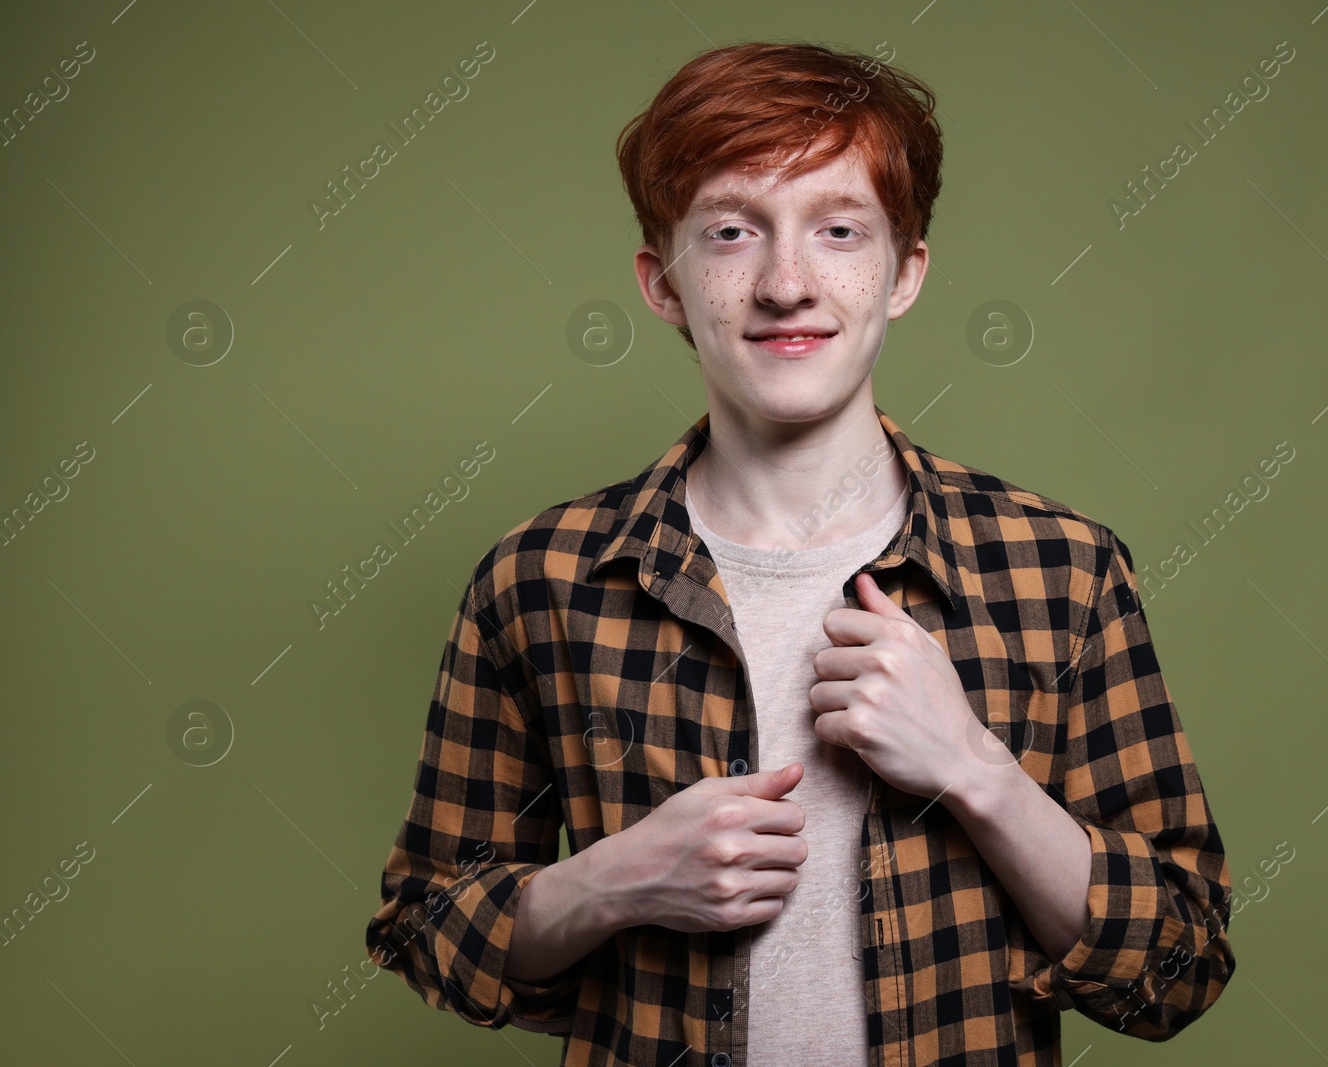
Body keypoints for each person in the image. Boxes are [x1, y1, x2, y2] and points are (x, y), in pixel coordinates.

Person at [364, 39, 1234, 1065]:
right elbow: (424, 928)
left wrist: (974, 769)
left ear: (902, 272)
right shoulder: (540, 579)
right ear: (664, 282)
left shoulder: (1063, 571)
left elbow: (1177, 966)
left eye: (837, 229)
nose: (786, 282)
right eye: (731, 232)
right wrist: (612, 878)